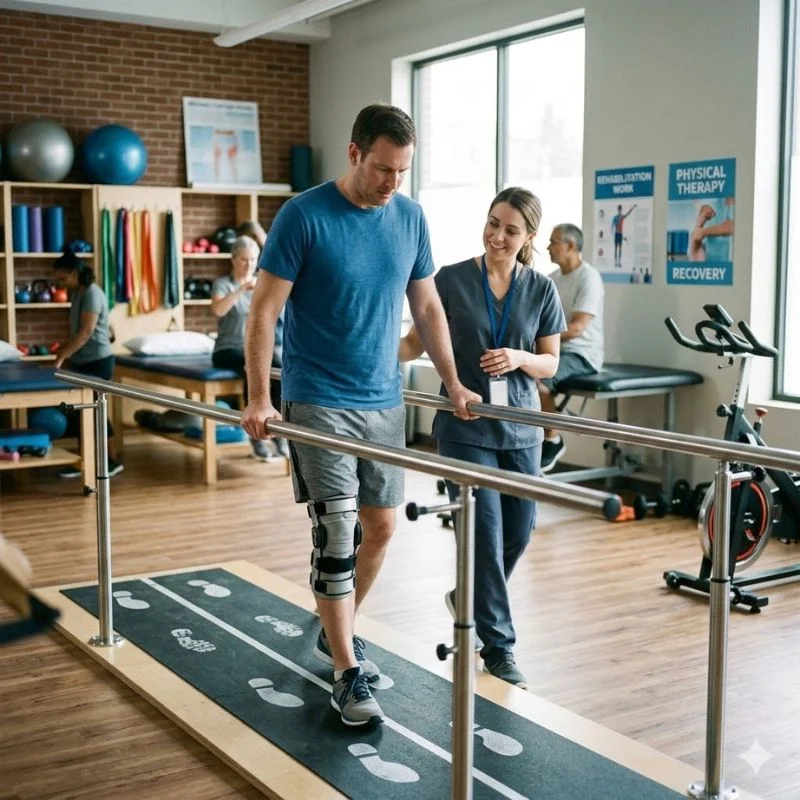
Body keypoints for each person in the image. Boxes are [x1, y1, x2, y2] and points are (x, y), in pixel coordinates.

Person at [241, 103, 480, 727]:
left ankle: (333, 627)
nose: (390, 183)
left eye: (401, 171)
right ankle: (347, 670)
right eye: (381, 169)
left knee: (380, 528)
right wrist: (259, 397)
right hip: (317, 399)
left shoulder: (410, 218)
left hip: (384, 401)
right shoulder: (303, 215)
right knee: (337, 532)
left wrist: (452, 383)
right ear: (353, 154)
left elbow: (427, 310)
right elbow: (263, 310)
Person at [399, 187, 565, 689]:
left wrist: (519, 359)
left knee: (519, 530)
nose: (497, 235)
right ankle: (499, 648)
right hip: (465, 429)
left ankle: (468, 599)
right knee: (485, 535)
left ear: (529, 237)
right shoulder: (450, 280)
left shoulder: (540, 289)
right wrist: (372, 354)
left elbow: (551, 361)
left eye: (510, 230)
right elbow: (415, 339)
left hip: (521, 429)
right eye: (492, 223)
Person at [212, 234, 289, 461]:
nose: (249, 264)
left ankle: (280, 432)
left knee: (278, 368)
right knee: (254, 366)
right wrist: (241, 289)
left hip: (254, 349)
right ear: (234, 259)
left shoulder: (262, 284)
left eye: (253, 259)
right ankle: (257, 437)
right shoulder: (223, 284)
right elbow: (218, 310)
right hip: (228, 350)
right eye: (244, 259)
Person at [538, 224, 605, 473]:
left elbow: (577, 329)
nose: (548, 247)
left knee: (539, 381)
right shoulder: (552, 279)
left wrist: (541, 340)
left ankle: (553, 440)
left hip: (582, 354)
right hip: (556, 349)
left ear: (571, 246)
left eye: (553, 241)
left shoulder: (589, 278)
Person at [53, 250, 123, 478]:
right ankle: (86, 461)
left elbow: (86, 331)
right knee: (81, 412)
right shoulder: (78, 294)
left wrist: (62, 356)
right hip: (83, 361)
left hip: (98, 362)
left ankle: (112, 460)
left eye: (63, 278)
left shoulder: (93, 293)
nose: (60, 283)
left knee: (97, 409)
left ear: (75, 273)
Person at [235, 220, 290, 459]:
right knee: (262, 366)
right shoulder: (232, 283)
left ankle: (280, 437)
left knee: (279, 366)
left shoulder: (273, 271)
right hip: (244, 345)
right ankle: (261, 435)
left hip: (279, 340)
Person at [611, 203, 637, 267]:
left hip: (620, 234)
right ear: (618, 210)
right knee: (616, 248)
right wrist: (612, 231)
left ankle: (619, 262)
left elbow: (628, 213)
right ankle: (615, 263)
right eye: (619, 209)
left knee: (620, 249)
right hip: (617, 234)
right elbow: (612, 225)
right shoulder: (615, 217)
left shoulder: (622, 217)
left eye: (620, 209)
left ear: (621, 210)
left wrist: (632, 207)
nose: (619, 210)